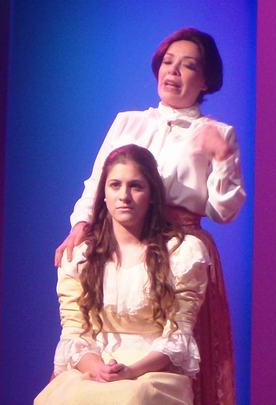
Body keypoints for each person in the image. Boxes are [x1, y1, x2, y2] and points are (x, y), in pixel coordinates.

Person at [54, 27, 244, 405]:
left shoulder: (217, 133)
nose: (173, 71)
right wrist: (81, 225)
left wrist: (222, 157)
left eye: (188, 66)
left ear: (205, 80)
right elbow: (99, 180)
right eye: (168, 62)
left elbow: (224, 210)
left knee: (182, 349)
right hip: (124, 239)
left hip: (177, 247)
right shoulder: (129, 122)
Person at [36, 145, 210, 405]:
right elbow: (74, 331)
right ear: (104, 194)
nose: (124, 196)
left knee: (132, 398)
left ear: (151, 195)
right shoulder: (81, 257)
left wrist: (130, 371)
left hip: (153, 372)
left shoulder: (181, 252)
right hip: (94, 366)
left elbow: (178, 334)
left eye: (135, 186)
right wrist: (98, 368)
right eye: (115, 185)